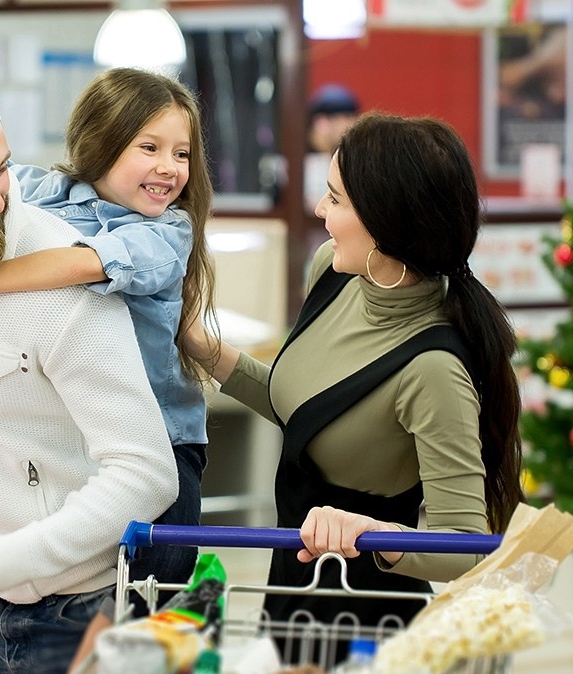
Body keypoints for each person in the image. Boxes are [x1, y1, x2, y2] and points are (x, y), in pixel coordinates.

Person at [0, 67, 219, 672]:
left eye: (181, 153)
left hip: (166, 433)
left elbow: (89, 265)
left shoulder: (167, 230)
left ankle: (167, 625)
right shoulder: (42, 191)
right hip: (70, 427)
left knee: (156, 575)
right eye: (150, 148)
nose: (169, 167)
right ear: (99, 145)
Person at [186, 112, 524, 639]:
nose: (320, 210)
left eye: (336, 198)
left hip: (366, 614)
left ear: (388, 220)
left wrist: (374, 532)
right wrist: (200, 346)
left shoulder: (432, 370)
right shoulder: (334, 272)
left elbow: (464, 546)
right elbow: (301, 408)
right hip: (290, 586)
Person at [304, 84, 361, 211]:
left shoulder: (351, 161)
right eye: (346, 117)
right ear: (322, 122)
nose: (352, 124)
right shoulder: (294, 164)